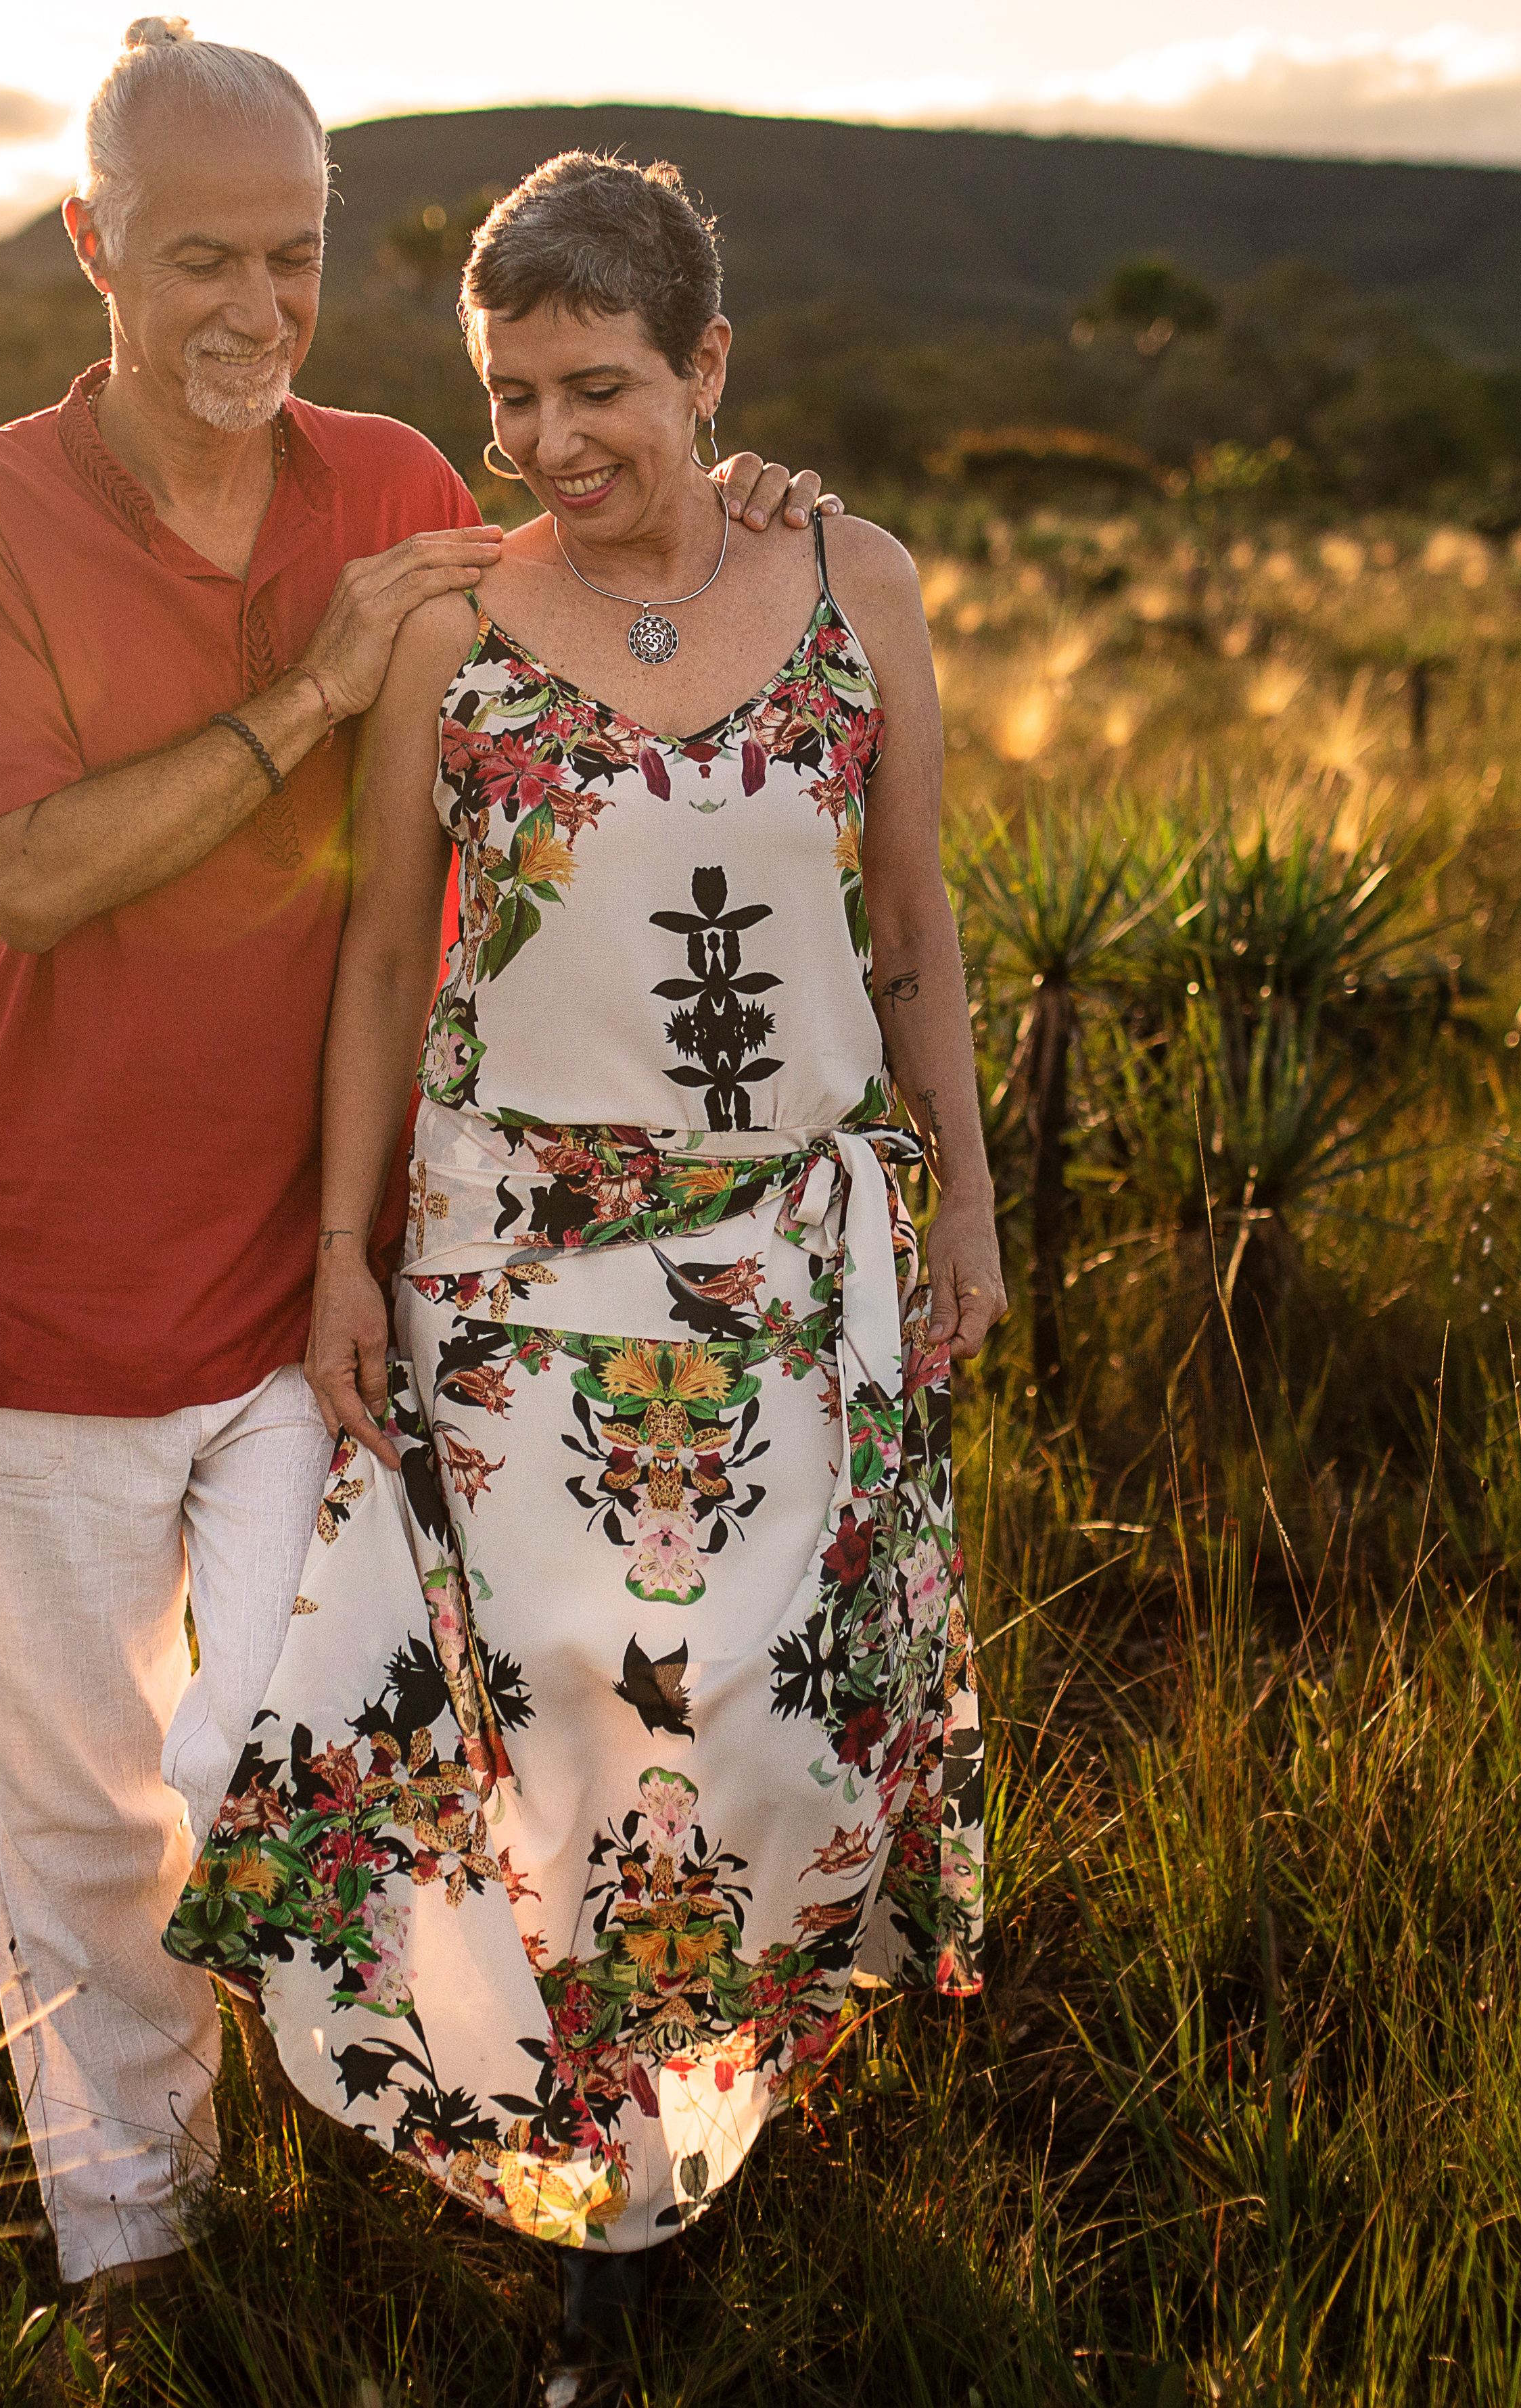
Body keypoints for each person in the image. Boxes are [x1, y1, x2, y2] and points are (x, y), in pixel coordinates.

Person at [0, 22, 835, 2336]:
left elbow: (603, 602)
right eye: (201, 257)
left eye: (295, 261)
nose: (255, 310)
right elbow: (20, 872)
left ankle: (470, 2153)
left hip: (326, 1280)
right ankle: (141, 2246)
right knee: (86, 1823)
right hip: (40, 1282)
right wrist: (306, 695)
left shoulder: (400, 474)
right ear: (91, 244)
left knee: (295, 1747)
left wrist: (740, 506)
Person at [162, 150, 1000, 2398]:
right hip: (511, 1271)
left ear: (712, 367)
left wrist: (972, 1215)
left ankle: (708, 2116)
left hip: (797, 1273)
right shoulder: (445, 619)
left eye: (601, 384)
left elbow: (911, 930)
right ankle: (583, 2197)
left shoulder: (861, 580)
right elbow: (372, 969)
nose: (550, 439)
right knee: (536, 1718)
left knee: (757, 1720)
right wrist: (341, 1256)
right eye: (512, 392)